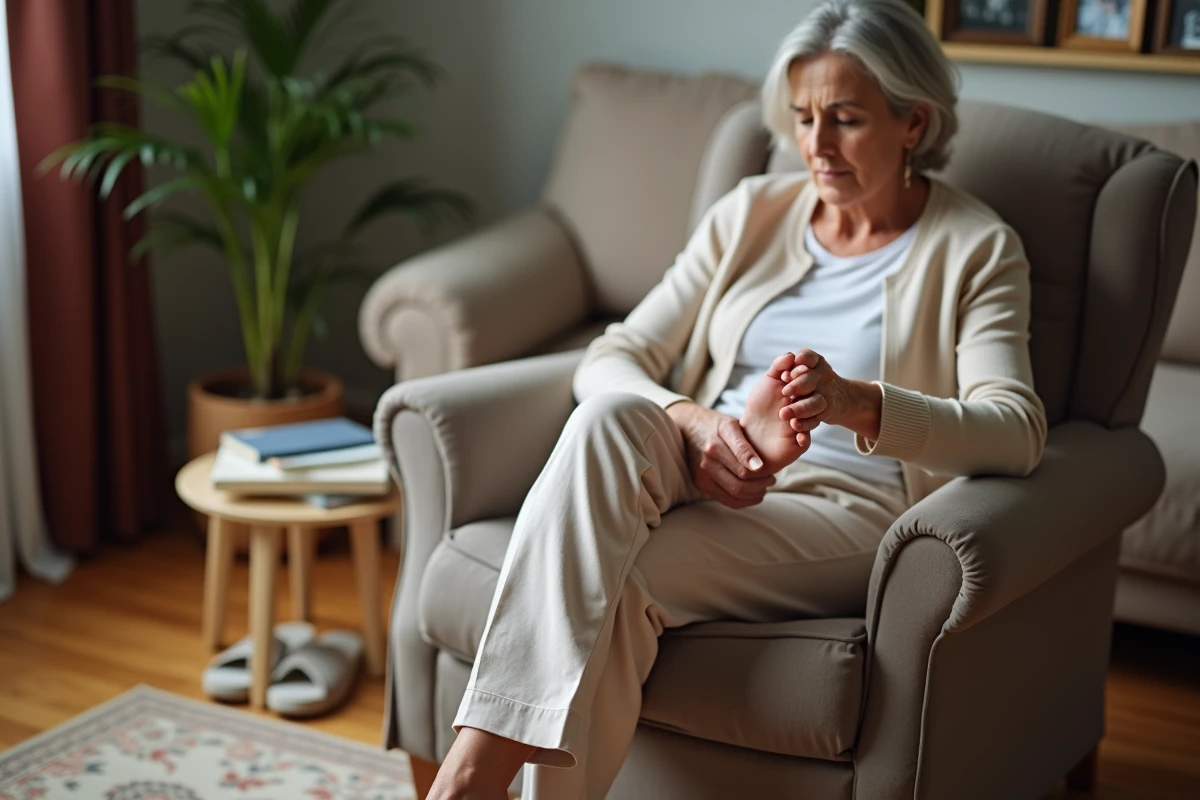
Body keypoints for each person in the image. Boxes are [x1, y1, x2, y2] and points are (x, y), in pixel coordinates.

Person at [428, 0, 1047, 797]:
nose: (814, 147)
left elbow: (1017, 431)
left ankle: (463, 785)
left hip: (844, 505)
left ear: (914, 124)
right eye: (802, 118)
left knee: (620, 583)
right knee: (613, 414)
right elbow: (613, 354)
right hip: (703, 457)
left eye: (846, 120)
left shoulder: (978, 248)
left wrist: (858, 404)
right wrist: (692, 423)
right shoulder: (752, 210)